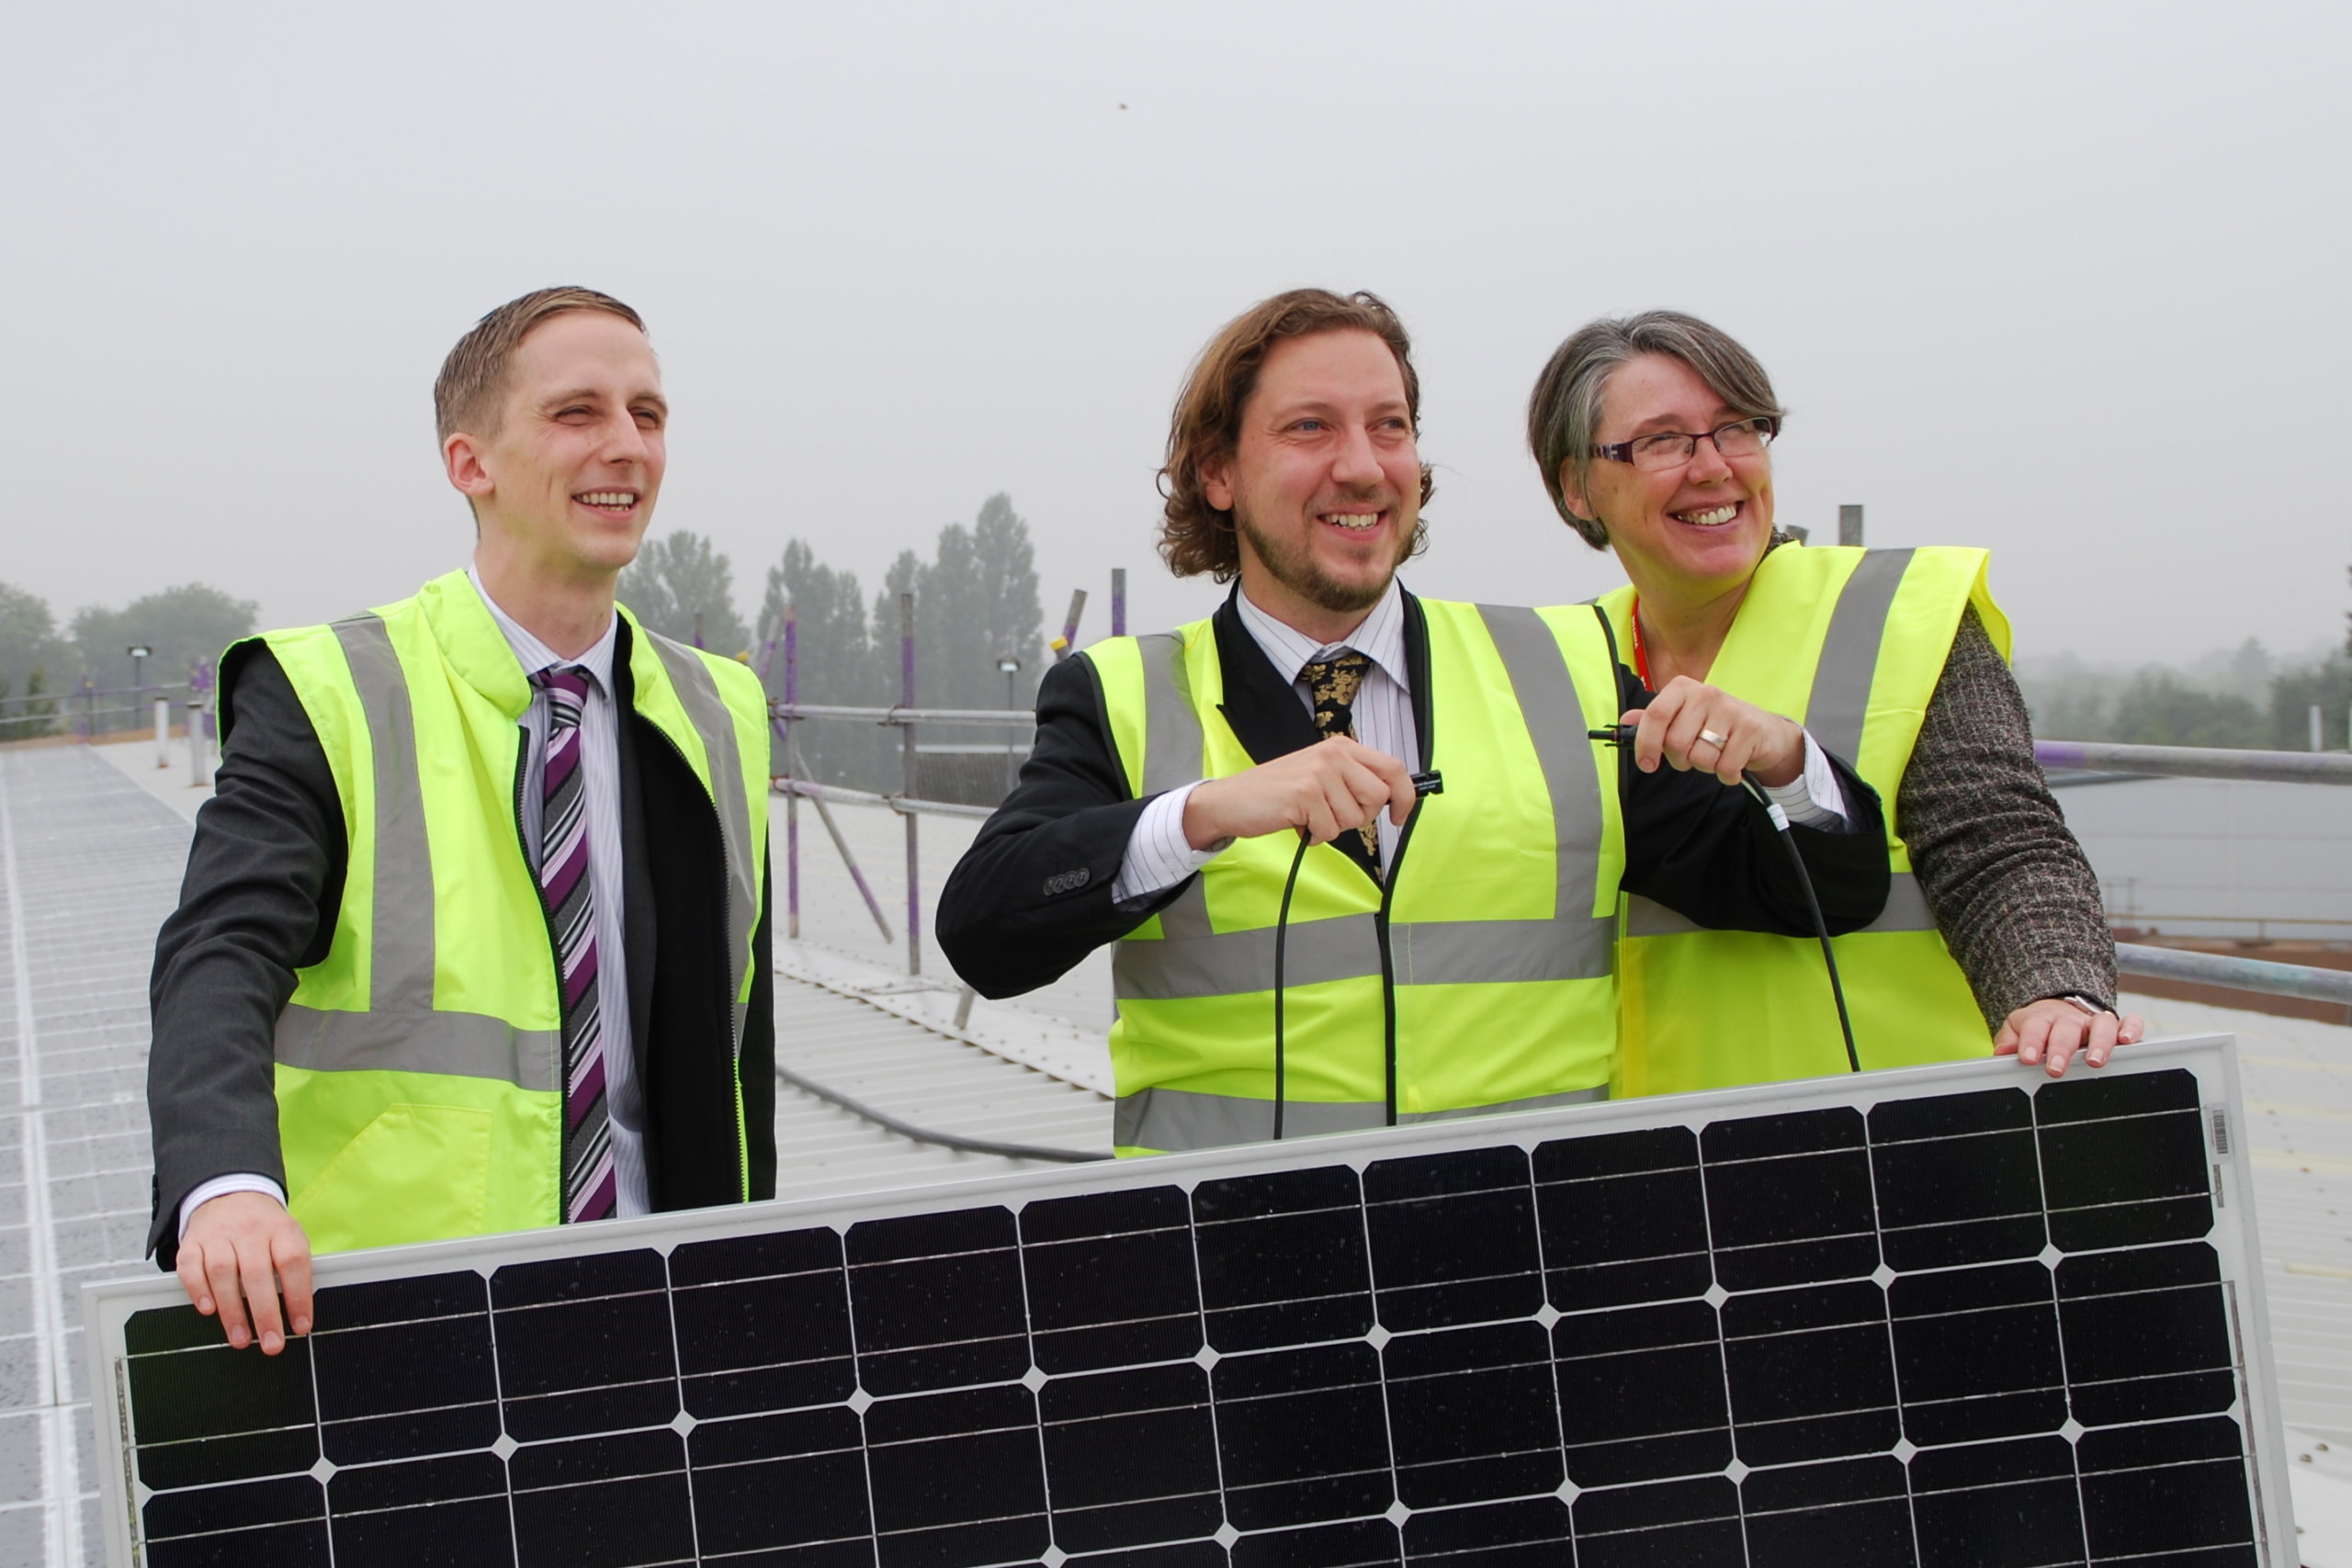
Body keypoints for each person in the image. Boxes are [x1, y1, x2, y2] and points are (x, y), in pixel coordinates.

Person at [938, 288, 1892, 1156]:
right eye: (1310, 428)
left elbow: (1820, 894)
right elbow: (986, 932)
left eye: (1388, 428)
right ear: (1218, 473)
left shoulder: (1564, 674)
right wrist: (1203, 813)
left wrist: (1786, 766)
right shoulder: (1118, 694)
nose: (1362, 468)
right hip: (1235, 1273)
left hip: (1531, 1273)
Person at [146, 287, 775, 1355]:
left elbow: (734, 1030)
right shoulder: (334, 689)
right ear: (469, 463)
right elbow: (219, 951)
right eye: (578, 413)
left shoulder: (720, 706)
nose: (626, 446)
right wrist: (225, 1183)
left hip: (660, 1301)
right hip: (398, 1317)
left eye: (648, 415)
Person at [1525, 310, 2143, 1097]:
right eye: (1664, 441)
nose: (1715, 467)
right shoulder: (1559, 662)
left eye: (1738, 428)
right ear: (1577, 486)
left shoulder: (1900, 617)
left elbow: (1999, 840)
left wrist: (2053, 989)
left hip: (1896, 1141)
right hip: (1648, 1154)